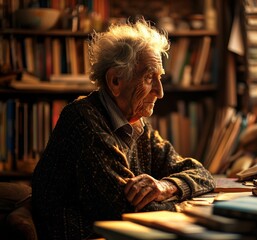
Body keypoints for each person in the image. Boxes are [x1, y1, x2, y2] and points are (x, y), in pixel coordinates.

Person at [31, 18, 215, 239]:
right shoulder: (83, 123)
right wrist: (190, 205)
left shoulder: (137, 125)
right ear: (115, 81)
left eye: (160, 78)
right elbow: (130, 211)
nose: (160, 92)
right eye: (149, 78)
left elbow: (203, 175)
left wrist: (167, 186)